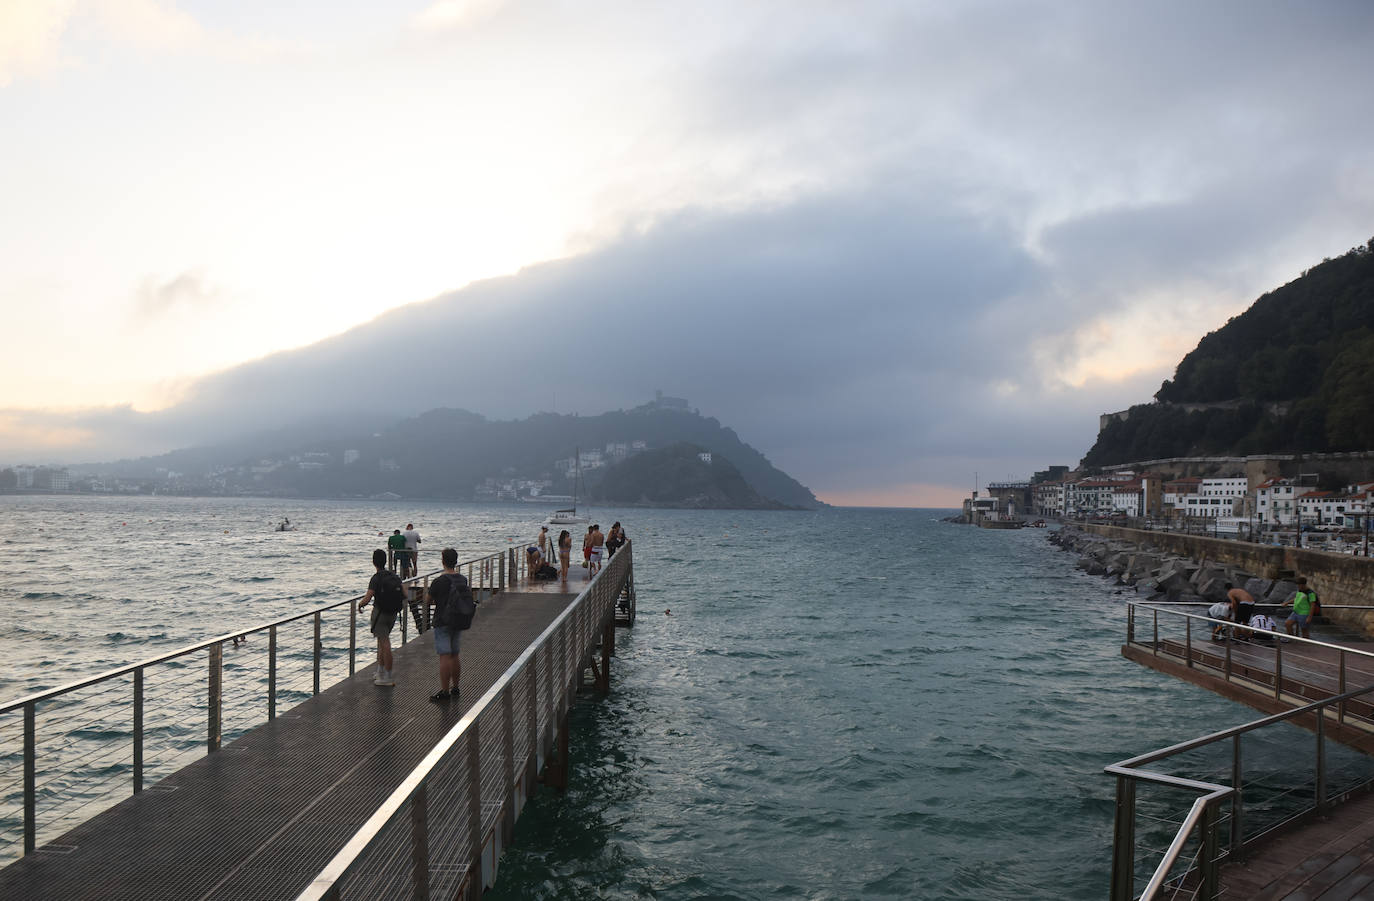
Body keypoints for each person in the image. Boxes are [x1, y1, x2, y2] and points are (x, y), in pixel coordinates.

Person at [427, 547, 472, 703]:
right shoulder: (462, 579)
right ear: (456, 561)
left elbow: (428, 600)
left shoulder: (438, 581)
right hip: (458, 620)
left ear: (443, 561)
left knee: (444, 656)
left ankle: (445, 691)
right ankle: (456, 687)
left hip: (442, 621)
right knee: (455, 654)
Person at [357, 548, 398, 686]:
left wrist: (360, 605)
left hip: (380, 614)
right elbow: (404, 593)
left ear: (374, 562)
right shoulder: (393, 576)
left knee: (385, 644)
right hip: (392, 613)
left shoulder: (376, 578)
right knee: (382, 641)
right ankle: (380, 672)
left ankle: (388, 677)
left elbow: (368, 598)